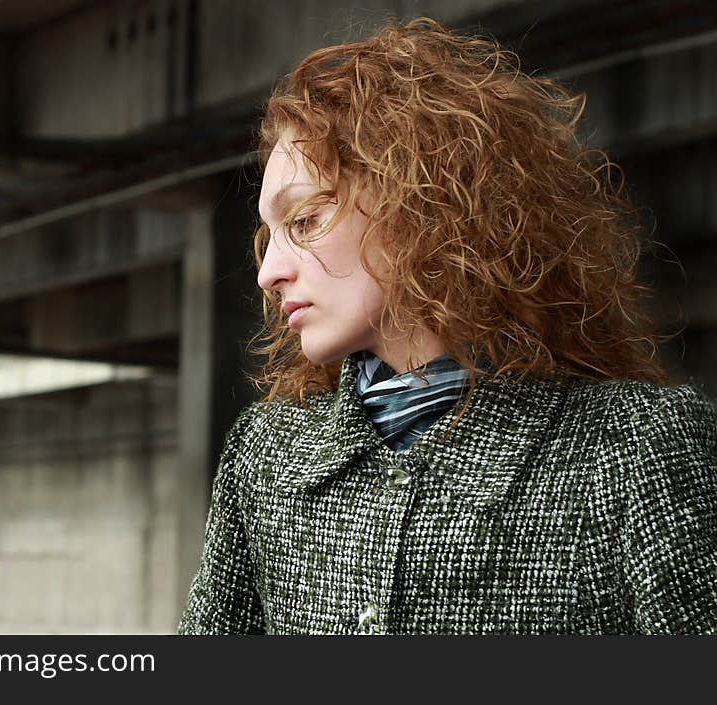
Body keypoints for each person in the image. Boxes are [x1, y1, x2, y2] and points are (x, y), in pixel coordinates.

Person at [177, 16, 717, 634]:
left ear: (420, 205)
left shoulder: (633, 447)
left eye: (304, 221)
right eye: (268, 238)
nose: (268, 273)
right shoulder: (267, 457)